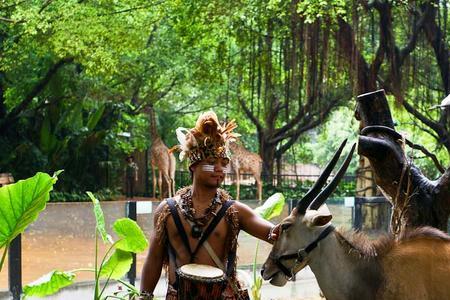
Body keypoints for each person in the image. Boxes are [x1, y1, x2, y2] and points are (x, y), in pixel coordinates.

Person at [139, 111, 280, 300]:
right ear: (193, 166)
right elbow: (154, 258)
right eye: (212, 162)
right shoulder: (167, 210)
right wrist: (144, 296)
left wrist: (285, 230)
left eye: (224, 164)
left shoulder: (233, 211)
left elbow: (272, 233)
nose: (219, 169)